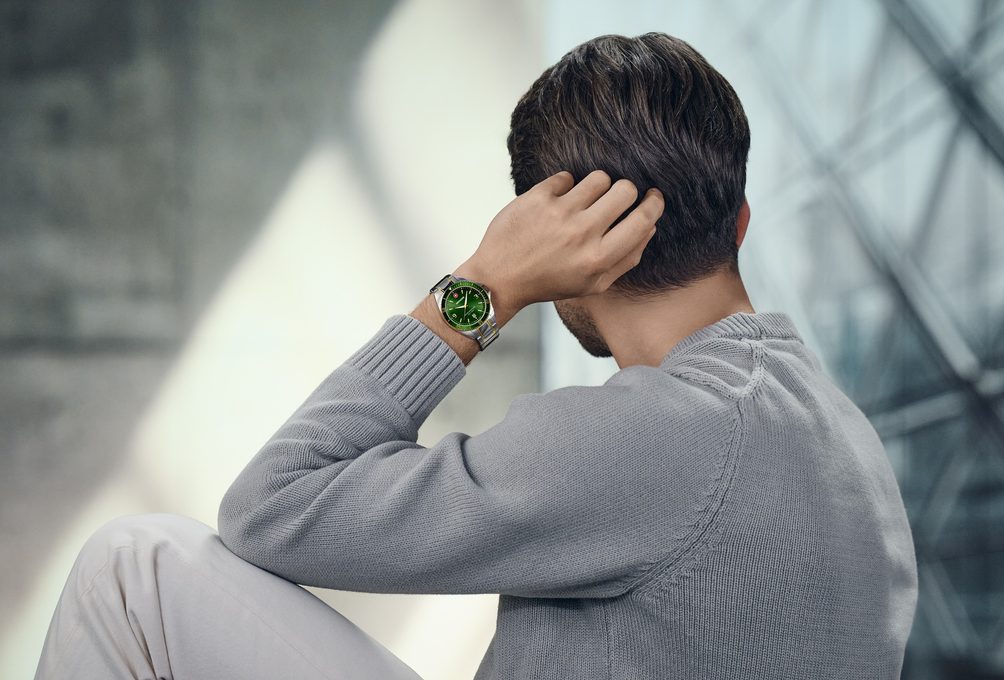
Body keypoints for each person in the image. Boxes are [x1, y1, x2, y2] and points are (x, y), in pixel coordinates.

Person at [34, 31, 918, 680]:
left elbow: (272, 508)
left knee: (134, 567)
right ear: (741, 222)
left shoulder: (655, 433)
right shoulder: (846, 442)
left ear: (573, 247)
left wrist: (487, 284)